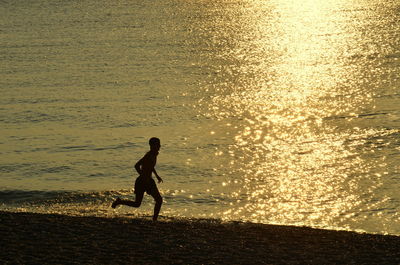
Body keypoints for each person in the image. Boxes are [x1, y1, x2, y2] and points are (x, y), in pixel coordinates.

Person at [112, 137, 163, 221]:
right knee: (139, 203)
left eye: (159, 144)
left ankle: (154, 219)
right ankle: (119, 202)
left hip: (149, 181)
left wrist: (157, 176)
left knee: (157, 200)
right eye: (157, 145)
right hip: (142, 182)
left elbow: (151, 166)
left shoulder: (154, 154)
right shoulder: (148, 155)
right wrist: (143, 176)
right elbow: (136, 165)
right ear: (152, 146)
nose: (159, 146)